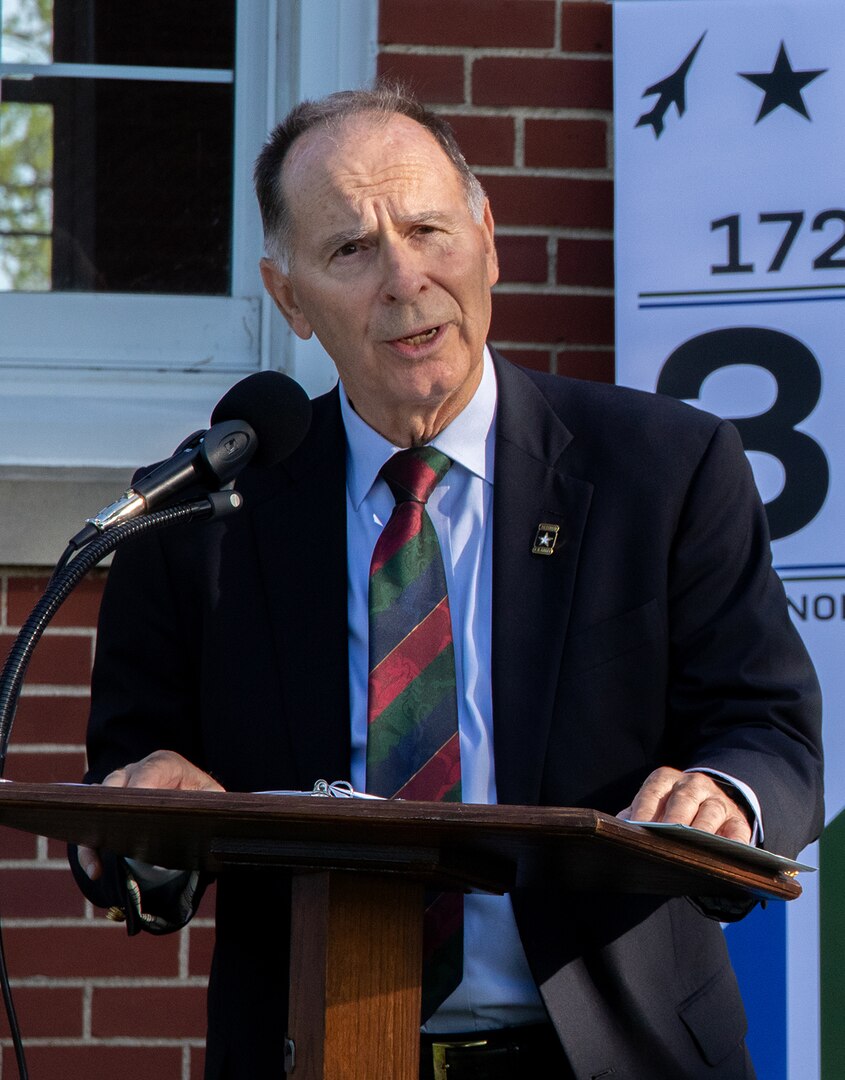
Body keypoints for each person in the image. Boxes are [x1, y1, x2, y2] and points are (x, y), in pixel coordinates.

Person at [71, 86, 823, 1079]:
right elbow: (132, 788)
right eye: (350, 250)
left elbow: (766, 725)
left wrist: (719, 795)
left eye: (429, 229)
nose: (405, 278)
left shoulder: (663, 468)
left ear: (488, 240)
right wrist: (142, 821)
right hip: (312, 1047)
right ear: (288, 296)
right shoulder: (207, 510)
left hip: (611, 1051)